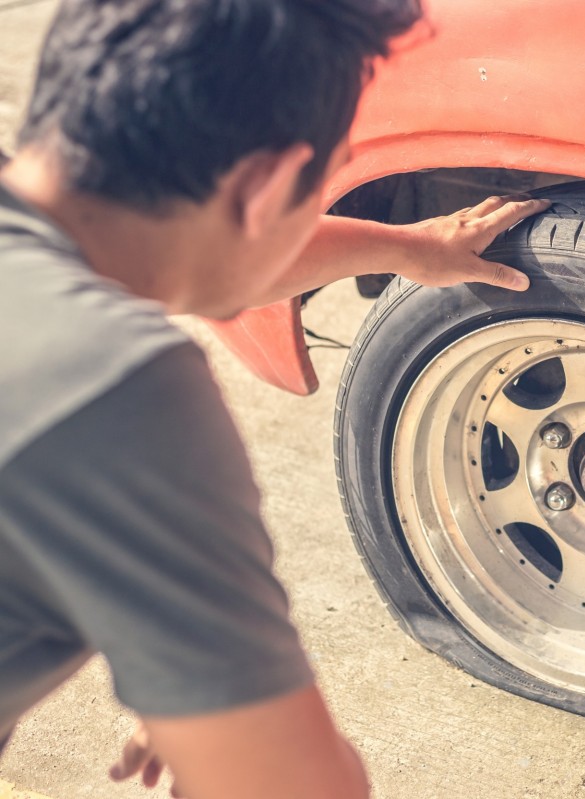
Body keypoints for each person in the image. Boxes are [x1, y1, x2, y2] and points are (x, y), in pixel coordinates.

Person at [0, 1, 549, 796]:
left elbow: (217, 252)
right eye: (315, 193)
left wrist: (407, 246)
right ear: (264, 185)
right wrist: (226, 715)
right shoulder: (114, 392)